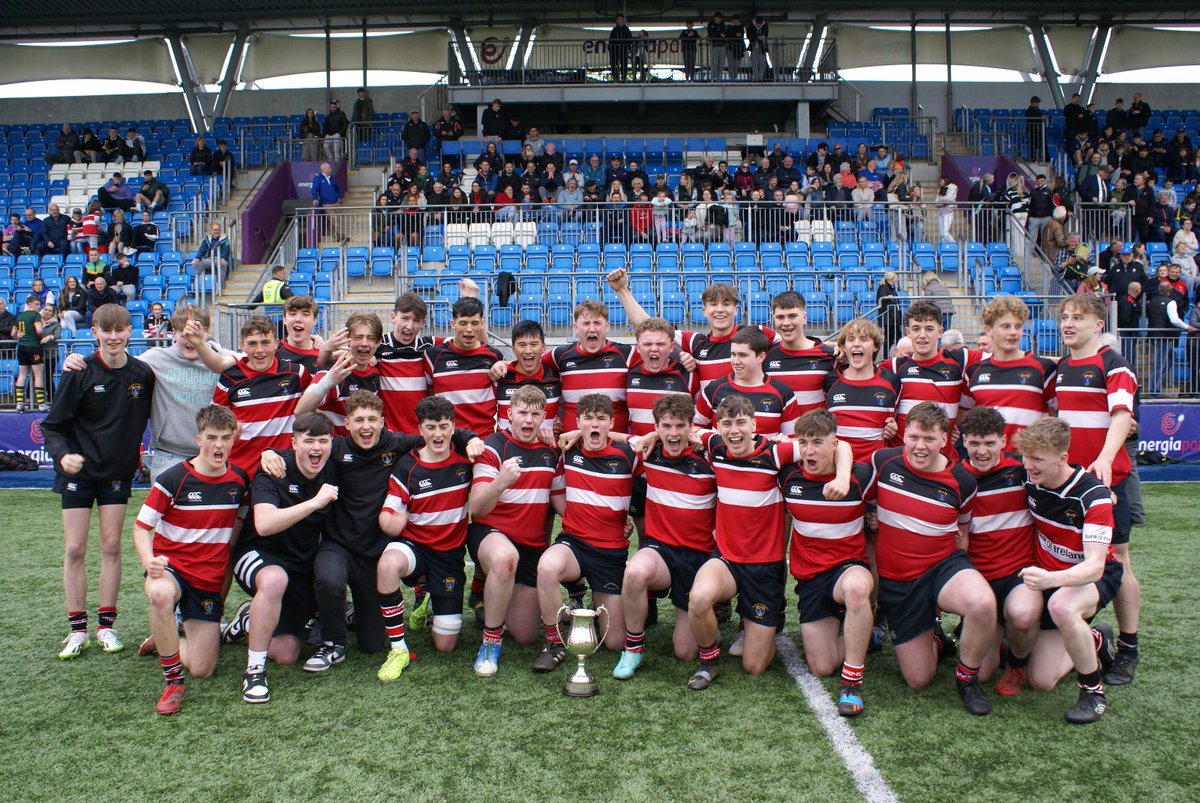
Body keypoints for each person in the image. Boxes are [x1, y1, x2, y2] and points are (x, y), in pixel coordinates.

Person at [685, 395, 850, 689]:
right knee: (698, 597)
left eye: (740, 423)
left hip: (764, 567)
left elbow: (840, 445)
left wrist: (843, 476)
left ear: (754, 425)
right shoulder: (714, 446)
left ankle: (762, 626)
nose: (734, 431)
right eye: (726, 424)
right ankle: (709, 660)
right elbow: (689, 432)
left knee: (755, 666)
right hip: (727, 559)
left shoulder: (775, 453)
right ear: (718, 427)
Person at [43, 304, 156, 660]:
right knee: (75, 549)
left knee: (111, 548)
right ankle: (77, 629)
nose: (113, 336)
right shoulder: (79, 371)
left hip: (117, 474)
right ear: (94, 332)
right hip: (78, 475)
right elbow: (52, 425)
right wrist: (63, 456)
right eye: (106, 330)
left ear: (128, 331)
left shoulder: (143, 373)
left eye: (119, 329)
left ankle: (107, 625)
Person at [870, 402, 994, 714]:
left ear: (944, 439)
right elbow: (861, 496)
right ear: (903, 436)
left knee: (982, 603)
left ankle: (967, 680)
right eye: (913, 437)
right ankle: (937, 639)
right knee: (918, 679)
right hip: (899, 583)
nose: (920, 446)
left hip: (941, 567)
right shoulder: (882, 462)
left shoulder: (963, 482)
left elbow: (962, 533)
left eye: (928, 439)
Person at [133, 405, 249, 715]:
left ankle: (162, 638)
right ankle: (173, 682)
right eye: (212, 438)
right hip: (173, 569)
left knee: (204, 668)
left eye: (226, 438)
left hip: (207, 581)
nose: (219, 445)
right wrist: (148, 560)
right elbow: (142, 527)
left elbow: (238, 525)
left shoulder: (239, 482)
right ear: (198, 439)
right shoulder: (174, 479)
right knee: (159, 593)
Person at [1051, 294, 1140, 686]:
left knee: (1117, 559)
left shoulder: (1113, 364)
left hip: (1108, 481)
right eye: (1065, 317)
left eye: (1079, 317)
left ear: (1098, 324)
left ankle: (1128, 646)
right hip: (1071, 486)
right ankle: (1082, 636)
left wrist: (1105, 457)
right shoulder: (1063, 367)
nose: (1069, 323)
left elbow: (1122, 416)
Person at [1015, 418, 1124, 724]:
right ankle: (1096, 639)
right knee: (1040, 680)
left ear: (1063, 458)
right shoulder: (1027, 476)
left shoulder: (1094, 496)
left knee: (1061, 605)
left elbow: (1094, 567)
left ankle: (1093, 693)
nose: (1028, 465)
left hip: (1090, 577)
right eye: (1026, 457)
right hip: (1049, 575)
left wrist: (1051, 579)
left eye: (1037, 459)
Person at [226, 412, 338, 703]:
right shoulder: (275, 468)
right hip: (259, 554)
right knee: (275, 579)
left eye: (323, 441)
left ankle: (248, 620)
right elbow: (264, 524)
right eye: (308, 441)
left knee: (287, 653)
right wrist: (315, 502)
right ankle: (254, 672)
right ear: (293, 443)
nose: (316, 448)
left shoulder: (333, 466)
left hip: (299, 566)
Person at [779, 410, 875, 716]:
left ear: (834, 443)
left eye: (818, 442)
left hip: (847, 567)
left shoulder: (859, 477)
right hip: (810, 578)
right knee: (821, 667)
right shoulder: (788, 475)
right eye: (803, 442)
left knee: (858, 589)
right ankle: (860, 629)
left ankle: (852, 683)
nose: (809, 450)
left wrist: (843, 476)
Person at [374, 396, 476, 680]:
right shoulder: (408, 466)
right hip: (415, 547)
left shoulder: (465, 461)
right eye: (431, 427)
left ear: (453, 427)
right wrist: (392, 522)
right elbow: (388, 513)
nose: (438, 434)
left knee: (445, 646)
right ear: (420, 429)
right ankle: (398, 648)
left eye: (444, 426)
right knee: (387, 565)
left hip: (449, 555)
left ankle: (430, 599)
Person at [532, 394, 635, 671]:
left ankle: (592, 598)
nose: (595, 425)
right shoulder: (567, 449)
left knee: (614, 643)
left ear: (612, 423)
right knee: (547, 567)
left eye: (601, 419)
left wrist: (629, 518)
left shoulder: (627, 454)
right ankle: (554, 643)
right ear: (577, 423)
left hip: (610, 552)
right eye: (588, 419)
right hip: (574, 543)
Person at [468, 386, 565, 676]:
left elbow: (560, 501)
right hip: (491, 535)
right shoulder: (493, 447)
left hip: (531, 547)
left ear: (543, 418)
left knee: (525, 635)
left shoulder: (550, 451)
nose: (528, 420)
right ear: (509, 414)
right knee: (504, 559)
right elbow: (477, 508)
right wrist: (500, 482)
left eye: (536, 414)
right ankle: (490, 641)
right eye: (522, 412)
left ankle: (499, 603)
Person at [956, 406, 1041, 692]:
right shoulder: (954, 478)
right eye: (975, 443)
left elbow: (1063, 476)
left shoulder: (1022, 470)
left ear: (1004, 442)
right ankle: (1002, 637)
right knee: (980, 675)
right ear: (964, 440)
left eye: (990, 443)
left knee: (1023, 615)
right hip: (979, 580)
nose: (982, 451)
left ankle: (1017, 664)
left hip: (1019, 573)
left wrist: (1099, 492)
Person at [196, 315, 313, 475]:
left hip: (281, 471)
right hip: (240, 472)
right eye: (252, 343)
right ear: (242, 345)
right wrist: (229, 427)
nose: (259, 350)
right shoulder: (230, 378)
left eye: (265, 342)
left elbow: (316, 403)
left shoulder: (296, 373)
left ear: (276, 343)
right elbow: (213, 422)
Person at [889, 299, 982, 452]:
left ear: (940, 331)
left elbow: (999, 357)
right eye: (916, 328)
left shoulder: (959, 361)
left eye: (929, 328)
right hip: (905, 465)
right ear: (908, 332)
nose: (922, 335)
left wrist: (951, 427)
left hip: (945, 463)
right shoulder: (895, 367)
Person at [963, 296, 1056, 449]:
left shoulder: (1043, 369)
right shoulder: (974, 371)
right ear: (989, 330)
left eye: (1018, 326)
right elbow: (964, 417)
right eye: (1006, 326)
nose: (1013, 332)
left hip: (1029, 466)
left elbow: (1057, 417)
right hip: (988, 464)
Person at [695, 327, 800, 436]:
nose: (736, 361)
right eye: (733, 354)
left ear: (761, 357)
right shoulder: (714, 389)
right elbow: (694, 427)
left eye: (743, 355)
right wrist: (711, 439)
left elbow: (793, 438)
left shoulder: (783, 394)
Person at [294, 313, 384, 435]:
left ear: (378, 342)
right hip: (335, 450)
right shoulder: (335, 370)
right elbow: (300, 411)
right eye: (358, 337)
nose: (364, 343)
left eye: (370, 338)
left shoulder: (375, 371)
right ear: (348, 340)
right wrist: (329, 380)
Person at [825, 319, 899, 462]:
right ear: (843, 347)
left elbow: (895, 419)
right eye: (851, 339)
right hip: (837, 467)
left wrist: (893, 426)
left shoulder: (891, 381)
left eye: (864, 339)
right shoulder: (831, 380)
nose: (857, 344)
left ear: (875, 346)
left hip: (875, 469)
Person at [494, 320, 562, 431]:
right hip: (508, 447)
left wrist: (560, 423)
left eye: (534, 344)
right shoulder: (500, 377)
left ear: (543, 347)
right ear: (513, 349)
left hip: (547, 447)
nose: (528, 351)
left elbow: (564, 409)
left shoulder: (555, 377)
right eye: (522, 345)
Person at [11, 294, 47, 412]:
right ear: (30, 304)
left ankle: (19, 403)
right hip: (33, 347)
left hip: (21, 347)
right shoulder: (36, 315)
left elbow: (13, 334)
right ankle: (41, 404)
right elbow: (39, 330)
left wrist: (19, 337)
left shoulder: (20, 316)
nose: (39, 307)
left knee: (21, 375)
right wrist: (42, 336)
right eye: (37, 304)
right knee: (38, 375)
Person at [311, 162, 344, 240]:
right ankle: (340, 235)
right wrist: (315, 198)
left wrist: (339, 197)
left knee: (337, 220)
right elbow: (314, 189)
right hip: (327, 204)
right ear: (323, 169)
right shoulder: (318, 178)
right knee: (334, 219)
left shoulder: (331, 178)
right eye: (329, 168)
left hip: (336, 203)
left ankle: (337, 235)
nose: (330, 169)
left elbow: (337, 188)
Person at [876, 271, 902, 352]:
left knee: (893, 337)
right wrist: (888, 297)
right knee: (892, 337)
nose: (896, 279)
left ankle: (889, 355)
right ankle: (890, 355)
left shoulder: (890, 287)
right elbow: (880, 299)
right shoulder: (883, 287)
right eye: (895, 277)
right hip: (889, 316)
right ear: (892, 278)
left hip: (892, 316)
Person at [609, 14, 633, 82]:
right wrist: (611, 49)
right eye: (618, 19)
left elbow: (630, 40)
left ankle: (623, 78)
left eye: (621, 19)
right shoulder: (614, 30)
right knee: (614, 64)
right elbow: (611, 40)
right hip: (615, 50)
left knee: (624, 64)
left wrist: (628, 48)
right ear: (616, 20)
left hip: (623, 50)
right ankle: (615, 78)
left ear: (623, 20)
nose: (619, 21)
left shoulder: (626, 29)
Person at [747, 15, 769, 81]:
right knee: (754, 63)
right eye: (758, 24)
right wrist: (757, 37)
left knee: (763, 63)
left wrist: (759, 37)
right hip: (754, 46)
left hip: (762, 47)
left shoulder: (765, 25)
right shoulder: (752, 25)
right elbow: (750, 35)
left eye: (760, 24)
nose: (759, 25)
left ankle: (760, 78)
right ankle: (756, 78)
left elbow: (766, 34)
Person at [706, 12, 727, 82]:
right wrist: (719, 34)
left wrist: (719, 34)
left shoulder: (722, 24)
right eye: (719, 18)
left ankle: (719, 76)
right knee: (714, 62)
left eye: (720, 19)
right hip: (714, 45)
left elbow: (724, 34)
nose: (720, 20)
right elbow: (711, 35)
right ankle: (714, 77)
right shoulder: (710, 24)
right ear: (715, 18)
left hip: (722, 46)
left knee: (721, 62)